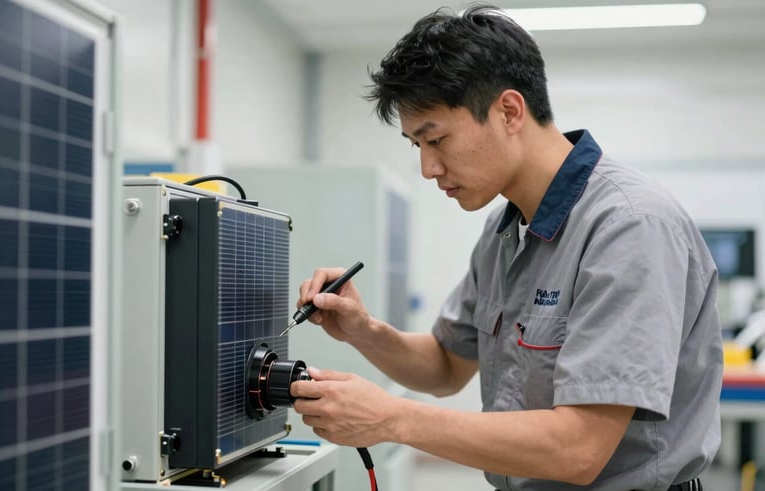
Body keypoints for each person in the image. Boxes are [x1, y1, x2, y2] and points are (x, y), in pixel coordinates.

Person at [290, 4, 723, 490]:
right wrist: (363, 330)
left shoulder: (628, 227)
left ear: (509, 111)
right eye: (417, 146)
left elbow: (579, 448)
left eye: (436, 139)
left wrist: (392, 418)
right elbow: (447, 365)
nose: (428, 169)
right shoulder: (505, 229)